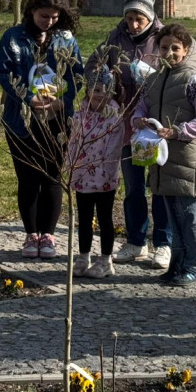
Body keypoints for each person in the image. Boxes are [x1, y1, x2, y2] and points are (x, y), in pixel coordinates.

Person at [87, 0, 196, 271]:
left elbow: (194, 60)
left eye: (139, 18)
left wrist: (161, 75)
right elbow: (93, 66)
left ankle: (162, 243)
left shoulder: (167, 37)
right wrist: (104, 83)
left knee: (160, 185)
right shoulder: (115, 38)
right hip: (129, 121)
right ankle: (136, 240)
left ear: (150, 17)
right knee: (133, 186)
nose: (134, 24)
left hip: (159, 123)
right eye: (130, 17)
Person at [0, 0, 84, 259]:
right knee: (28, 177)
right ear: (32, 11)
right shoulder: (13, 38)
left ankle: (49, 234)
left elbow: (77, 73)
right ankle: (31, 234)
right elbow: (3, 71)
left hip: (57, 118)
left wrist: (63, 100)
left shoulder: (66, 40)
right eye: (44, 16)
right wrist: (25, 98)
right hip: (21, 118)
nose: (49, 21)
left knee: (52, 176)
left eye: (55, 17)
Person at [132, 24, 196, 287]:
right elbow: (141, 106)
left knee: (189, 216)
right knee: (170, 214)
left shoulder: (193, 80)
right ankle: (177, 264)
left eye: (175, 48)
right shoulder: (154, 79)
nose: (169, 53)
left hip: (186, 158)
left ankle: (193, 266)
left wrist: (179, 131)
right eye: (164, 47)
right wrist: (138, 120)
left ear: (186, 50)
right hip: (161, 158)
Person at [68, 65, 125, 279]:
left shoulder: (114, 116)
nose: (97, 95)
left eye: (102, 90)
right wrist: (72, 164)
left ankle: (105, 259)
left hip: (104, 176)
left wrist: (106, 169)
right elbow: (74, 140)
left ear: (110, 92)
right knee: (84, 217)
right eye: (93, 90)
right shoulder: (81, 113)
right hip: (82, 174)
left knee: (104, 217)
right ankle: (83, 256)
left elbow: (114, 147)